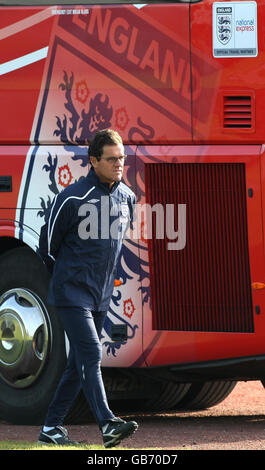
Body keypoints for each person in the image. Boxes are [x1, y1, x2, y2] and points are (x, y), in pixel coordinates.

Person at [37, 129, 138, 448]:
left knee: (77, 363)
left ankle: (50, 429)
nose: (119, 163)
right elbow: (47, 247)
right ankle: (108, 423)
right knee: (92, 353)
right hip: (71, 292)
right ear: (93, 161)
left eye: (122, 157)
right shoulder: (71, 197)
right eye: (111, 159)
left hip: (101, 294)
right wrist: (66, 281)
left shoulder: (128, 198)